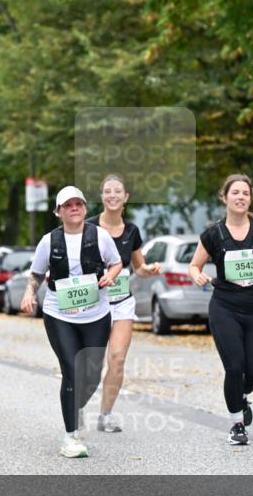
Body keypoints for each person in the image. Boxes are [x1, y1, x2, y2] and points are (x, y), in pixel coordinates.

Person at [21, 186, 123, 458]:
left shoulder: (100, 236)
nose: (74, 208)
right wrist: (30, 292)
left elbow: (116, 263)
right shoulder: (48, 241)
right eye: (68, 205)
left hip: (96, 314)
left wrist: (111, 276)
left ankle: (75, 405)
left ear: (85, 208)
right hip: (59, 314)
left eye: (78, 203)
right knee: (71, 370)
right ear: (59, 212)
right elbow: (36, 273)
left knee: (91, 376)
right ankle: (71, 436)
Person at [188, 174, 253, 445]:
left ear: (250, 198)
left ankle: (238, 396)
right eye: (235, 192)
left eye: (245, 193)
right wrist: (198, 276)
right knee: (234, 367)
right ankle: (237, 425)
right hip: (225, 307)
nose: (241, 197)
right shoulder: (213, 234)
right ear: (225, 197)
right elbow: (194, 265)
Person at [85, 175, 162, 433]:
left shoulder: (132, 231)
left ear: (126, 197)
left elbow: (138, 268)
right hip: (92, 303)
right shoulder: (88, 228)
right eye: (108, 191)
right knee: (90, 363)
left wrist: (147, 269)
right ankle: (76, 404)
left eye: (118, 191)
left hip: (121, 303)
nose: (113, 195)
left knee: (117, 359)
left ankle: (105, 414)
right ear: (102, 196)